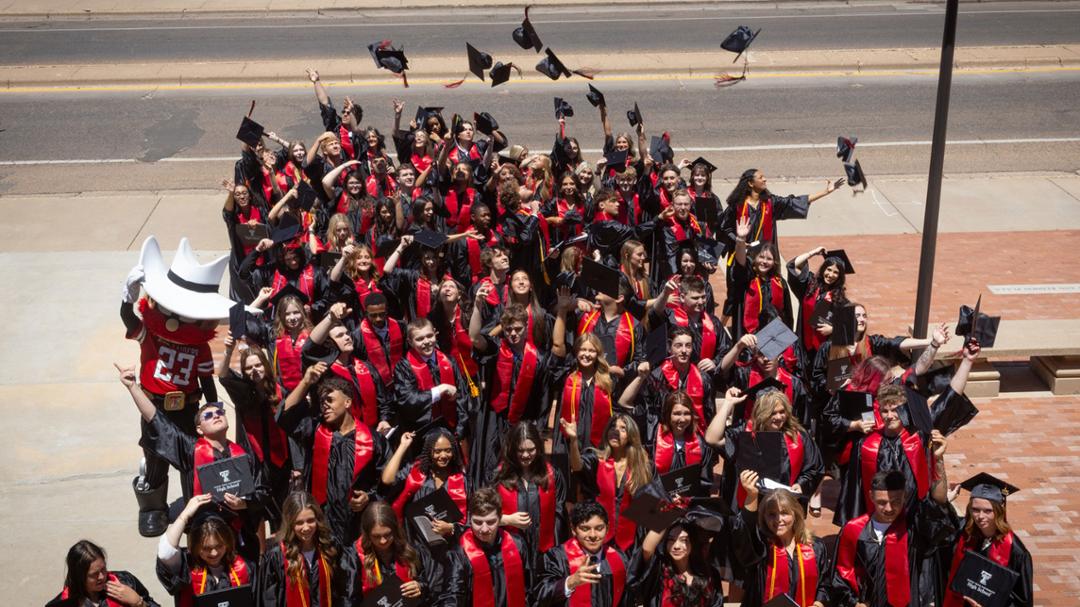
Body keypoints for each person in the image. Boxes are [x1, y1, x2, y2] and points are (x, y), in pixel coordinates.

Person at [117, 364, 269, 561]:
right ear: (199, 429)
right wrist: (132, 387)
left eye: (219, 413)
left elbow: (262, 491)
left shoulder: (243, 455)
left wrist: (244, 504)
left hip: (240, 538)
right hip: (204, 541)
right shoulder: (190, 450)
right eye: (208, 415)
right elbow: (157, 421)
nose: (215, 415)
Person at [279, 366, 389, 546]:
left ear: (347, 402)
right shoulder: (314, 431)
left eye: (330, 400)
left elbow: (386, 481)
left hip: (358, 524)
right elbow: (285, 417)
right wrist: (306, 381)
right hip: (322, 523)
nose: (325, 405)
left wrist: (369, 497)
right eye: (322, 401)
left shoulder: (373, 440)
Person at [831, 466, 955, 607]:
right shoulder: (853, 530)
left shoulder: (914, 528)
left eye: (895, 502)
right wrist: (853, 602)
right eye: (882, 502)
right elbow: (841, 573)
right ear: (871, 496)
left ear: (905, 496)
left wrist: (937, 462)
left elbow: (938, 509)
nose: (889, 509)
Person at [467, 302, 561, 484]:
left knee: (521, 468)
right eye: (508, 330)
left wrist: (537, 429)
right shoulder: (495, 349)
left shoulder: (539, 358)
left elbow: (544, 398)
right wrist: (477, 307)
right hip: (495, 419)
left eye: (518, 329)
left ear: (527, 327)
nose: (513, 334)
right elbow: (474, 338)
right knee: (491, 465)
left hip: (524, 421)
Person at [733, 476, 830, 607]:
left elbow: (825, 584)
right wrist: (751, 496)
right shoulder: (761, 548)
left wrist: (818, 604)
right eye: (772, 514)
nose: (779, 519)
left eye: (784, 513)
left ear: (795, 514)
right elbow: (744, 533)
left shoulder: (816, 547)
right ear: (764, 517)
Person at [942, 474, 1033, 607]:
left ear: (999, 511)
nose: (980, 516)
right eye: (975, 510)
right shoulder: (963, 533)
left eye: (988, 511)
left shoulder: (1017, 553)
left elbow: (1022, 602)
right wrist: (945, 501)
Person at [567, 414, 652, 554]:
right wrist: (573, 440)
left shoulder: (642, 467)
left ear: (631, 436)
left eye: (623, 428)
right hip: (597, 538)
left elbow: (649, 506)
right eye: (612, 426)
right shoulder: (596, 460)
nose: (616, 431)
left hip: (631, 541)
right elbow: (577, 466)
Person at [257, 491, 356, 607]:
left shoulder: (331, 547)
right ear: (290, 523)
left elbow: (345, 589)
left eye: (310, 520)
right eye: (299, 522)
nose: (306, 528)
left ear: (317, 519)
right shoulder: (276, 557)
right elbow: (269, 601)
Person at [492, 422, 568, 570]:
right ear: (512, 449)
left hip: (545, 554)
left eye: (531, 450)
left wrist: (555, 552)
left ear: (538, 448)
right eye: (520, 450)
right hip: (509, 552)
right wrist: (507, 519)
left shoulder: (552, 475)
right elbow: (484, 512)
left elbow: (559, 515)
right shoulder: (498, 476)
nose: (526, 455)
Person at [156, 494, 256, 606]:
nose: (214, 553)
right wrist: (185, 515)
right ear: (195, 546)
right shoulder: (186, 569)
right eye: (206, 548)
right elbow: (165, 552)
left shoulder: (244, 567)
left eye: (219, 546)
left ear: (228, 542)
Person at [439, 487, 532, 607]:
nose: (484, 529)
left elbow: (529, 589)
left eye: (490, 522)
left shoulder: (517, 544)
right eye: (478, 522)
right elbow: (453, 593)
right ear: (470, 519)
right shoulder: (459, 552)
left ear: (500, 519)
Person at [380, 425, 469, 543]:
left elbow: (470, 517)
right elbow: (387, 479)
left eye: (448, 450)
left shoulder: (462, 480)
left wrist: (451, 527)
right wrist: (403, 446)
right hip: (417, 542)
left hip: (451, 545)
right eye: (437, 451)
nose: (443, 456)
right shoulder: (416, 471)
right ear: (429, 451)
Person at [536, 500, 630, 606]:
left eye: (599, 528)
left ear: (607, 528)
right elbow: (540, 595)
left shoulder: (620, 558)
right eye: (585, 529)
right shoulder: (555, 557)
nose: (593, 535)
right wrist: (571, 582)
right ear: (573, 529)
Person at [389, 318, 470, 437]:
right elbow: (408, 400)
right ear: (410, 342)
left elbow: (462, 396)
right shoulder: (403, 367)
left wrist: (460, 429)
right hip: (421, 432)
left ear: (435, 334)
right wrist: (440, 390)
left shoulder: (449, 361)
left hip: (452, 430)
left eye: (429, 336)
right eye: (419, 339)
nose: (426, 341)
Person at [353, 502, 433, 603]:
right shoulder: (354, 556)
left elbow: (431, 580)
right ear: (367, 534)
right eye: (376, 536)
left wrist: (420, 586)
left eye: (388, 534)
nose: (383, 541)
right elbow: (350, 597)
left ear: (395, 529)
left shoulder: (411, 546)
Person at [630, 522, 724, 607]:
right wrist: (669, 513)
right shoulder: (659, 572)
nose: (676, 546)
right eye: (671, 540)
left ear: (692, 543)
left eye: (683, 540)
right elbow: (647, 549)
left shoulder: (709, 574)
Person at [47, 540, 159, 607]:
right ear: (79, 576)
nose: (101, 576)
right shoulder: (62, 604)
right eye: (94, 574)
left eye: (103, 569)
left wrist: (138, 603)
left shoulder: (125, 581)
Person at [786, 246, 850, 359]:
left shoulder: (840, 300)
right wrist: (813, 252)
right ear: (823, 269)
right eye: (829, 269)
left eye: (836, 272)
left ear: (840, 276)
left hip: (822, 352)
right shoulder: (810, 285)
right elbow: (792, 265)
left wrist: (833, 329)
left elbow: (851, 328)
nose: (831, 275)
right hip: (801, 347)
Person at [652, 391, 714, 483]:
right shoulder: (654, 440)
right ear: (668, 415)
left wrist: (686, 496)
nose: (682, 419)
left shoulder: (700, 444)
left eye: (687, 413)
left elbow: (704, 481)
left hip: (690, 496)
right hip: (660, 496)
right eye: (677, 414)